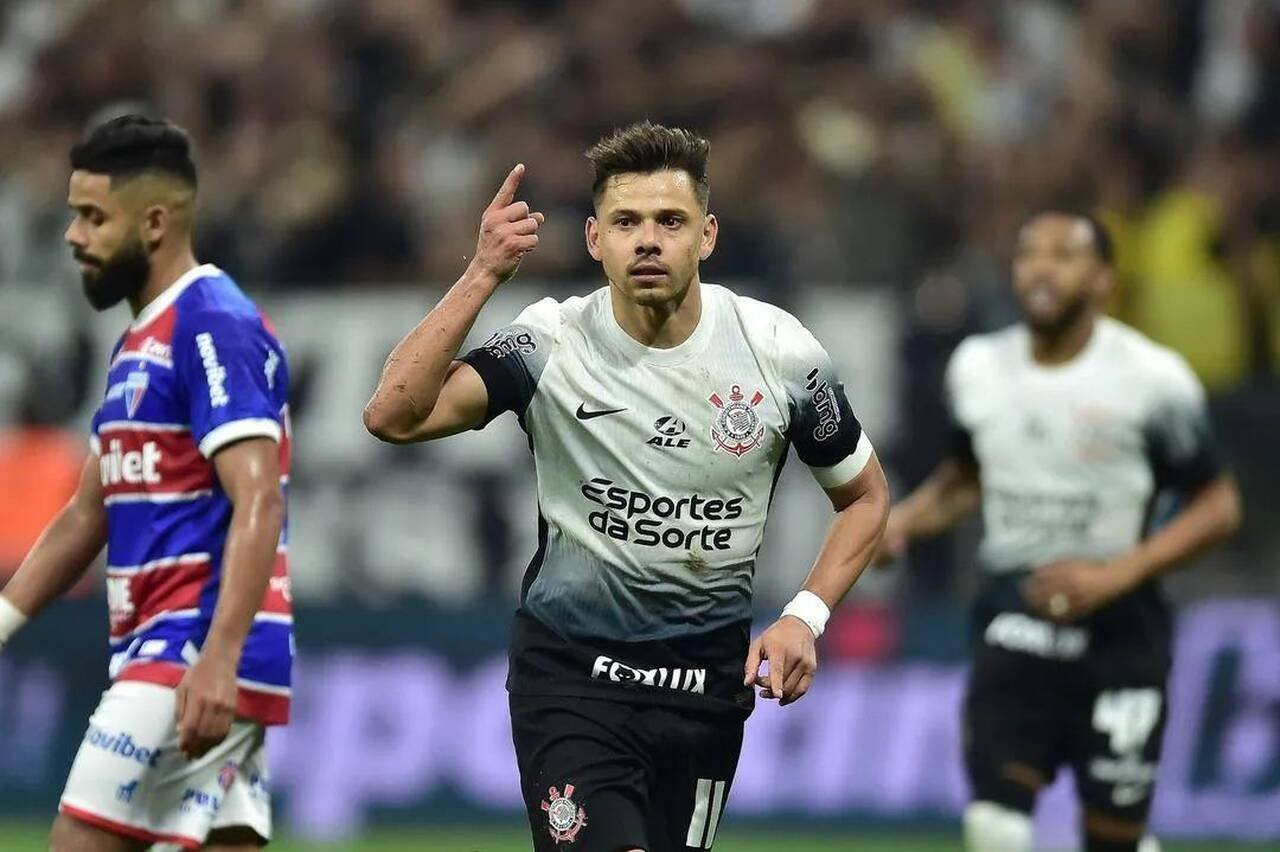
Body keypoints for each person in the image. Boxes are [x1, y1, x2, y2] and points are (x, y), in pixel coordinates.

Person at [364, 121, 890, 851]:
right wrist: (482, 273)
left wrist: (805, 615)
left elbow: (865, 497)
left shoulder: (780, 355)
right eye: (626, 222)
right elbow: (392, 414)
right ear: (594, 239)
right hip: (572, 679)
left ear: (706, 236)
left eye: (670, 222)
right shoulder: (550, 341)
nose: (647, 241)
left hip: (704, 692)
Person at [877, 212, 1243, 852]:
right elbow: (966, 479)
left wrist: (1118, 573)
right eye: (1029, 254)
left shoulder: (1154, 380)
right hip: (1015, 616)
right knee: (995, 823)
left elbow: (1218, 506)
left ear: (1102, 279)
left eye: (1064, 255)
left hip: (1120, 629)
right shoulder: (977, 366)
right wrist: (901, 524)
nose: (1041, 269)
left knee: (1114, 840)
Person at [0, 115, 293, 851]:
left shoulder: (212, 322)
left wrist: (219, 656)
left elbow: (259, 495)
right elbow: (86, 513)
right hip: (175, 653)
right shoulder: (140, 339)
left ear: (155, 223)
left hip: (190, 650)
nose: (74, 236)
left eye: (93, 217)